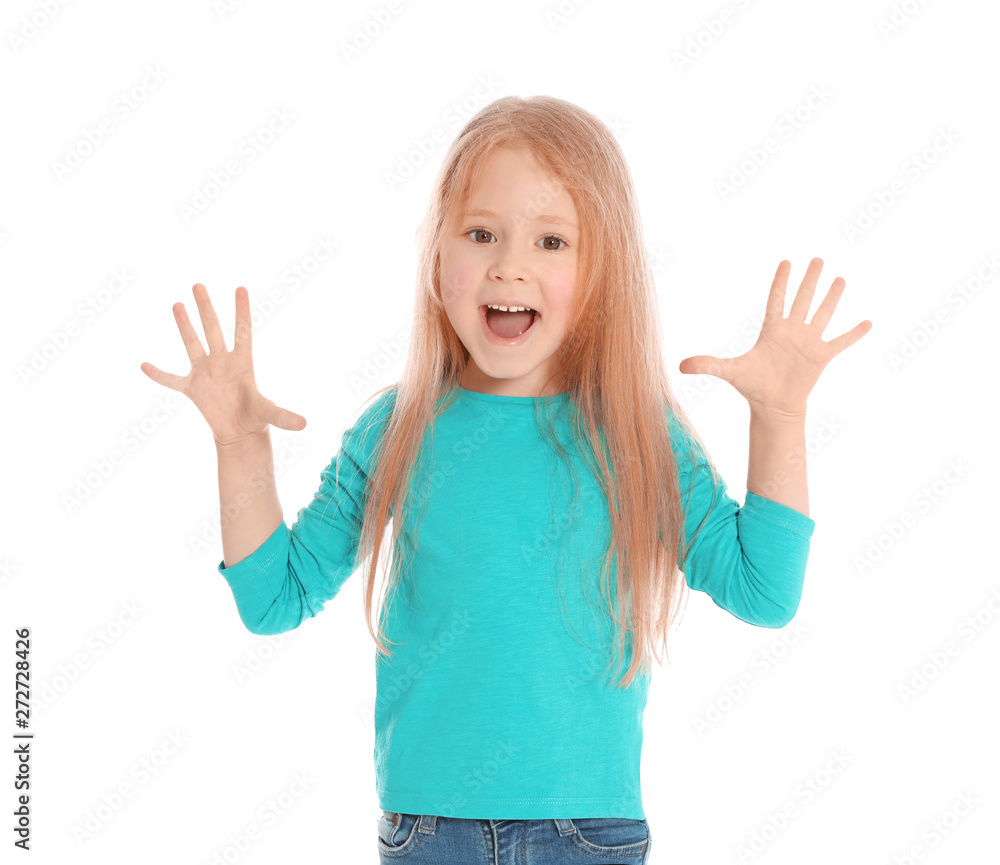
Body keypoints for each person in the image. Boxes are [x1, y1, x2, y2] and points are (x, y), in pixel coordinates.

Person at [140, 95, 871, 865]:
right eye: (481, 233)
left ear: (601, 274)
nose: (509, 264)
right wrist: (240, 445)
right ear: (436, 259)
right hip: (429, 831)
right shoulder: (399, 426)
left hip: (590, 834)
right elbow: (272, 599)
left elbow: (764, 590)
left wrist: (780, 418)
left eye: (552, 240)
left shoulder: (634, 428)